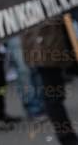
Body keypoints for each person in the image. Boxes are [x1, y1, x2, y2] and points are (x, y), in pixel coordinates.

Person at [22, 16, 78, 145]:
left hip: (62, 32)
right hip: (43, 42)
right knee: (52, 94)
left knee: (52, 94)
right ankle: (67, 139)